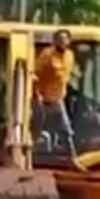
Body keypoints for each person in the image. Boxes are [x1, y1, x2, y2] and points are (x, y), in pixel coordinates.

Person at [34, 29, 77, 157]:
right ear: (54, 41)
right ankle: (31, 152)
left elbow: (69, 74)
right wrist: (37, 95)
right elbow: (35, 74)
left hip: (58, 99)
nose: (62, 42)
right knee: (35, 126)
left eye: (65, 39)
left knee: (65, 128)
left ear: (69, 41)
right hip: (42, 100)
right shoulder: (47, 55)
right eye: (60, 39)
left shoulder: (70, 56)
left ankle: (71, 156)